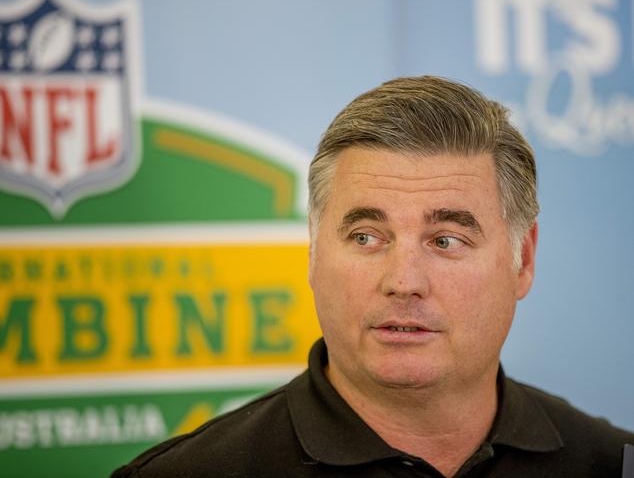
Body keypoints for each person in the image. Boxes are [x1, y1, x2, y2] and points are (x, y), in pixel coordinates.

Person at [111, 76, 633, 477]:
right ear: (314, 253)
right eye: (366, 237)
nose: (403, 281)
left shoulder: (614, 464)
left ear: (524, 259)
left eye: (445, 240)